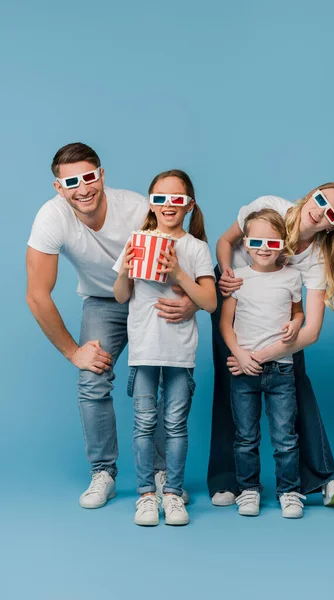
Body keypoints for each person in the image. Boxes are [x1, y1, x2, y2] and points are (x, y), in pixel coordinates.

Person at [26, 143, 197, 508]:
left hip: (151, 297)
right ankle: (103, 472)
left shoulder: (136, 207)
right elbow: (37, 295)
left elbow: (187, 242)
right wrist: (74, 352)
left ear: (102, 176)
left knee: (165, 379)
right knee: (92, 378)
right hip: (103, 302)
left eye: (89, 177)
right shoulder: (51, 217)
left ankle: (163, 473)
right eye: (71, 181)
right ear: (58, 187)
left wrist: (193, 300)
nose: (83, 188)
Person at [208, 184, 334, 508]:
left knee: (294, 384)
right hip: (236, 294)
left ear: (333, 225)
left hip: (276, 316)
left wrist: (265, 354)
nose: (320, 211)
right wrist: (226, 272)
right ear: (311, 194)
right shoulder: (268, 205)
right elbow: (225, 240)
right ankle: (227, 481)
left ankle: (323, 477)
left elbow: (310, 329)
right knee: (231, 382)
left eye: (331, 213)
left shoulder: (316, 257)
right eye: (321, 200)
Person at [113, 169, 216, 526]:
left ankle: (172, 493)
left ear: (189, 205)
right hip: (144, 347)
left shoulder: (196, 248)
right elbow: (121, 295)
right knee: (143, 423)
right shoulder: (137, 239)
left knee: (175, 425)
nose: (168, 206)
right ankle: (145, 495)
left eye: (176, 199)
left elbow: (211, 301)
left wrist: (177, 274)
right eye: (160, 199)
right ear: (151, 204)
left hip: (179, 351)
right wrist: (124, 269)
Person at [220, 208, 307, 518]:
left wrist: (297, 323)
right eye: (257, 241)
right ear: (245, 243)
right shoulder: (238, 278)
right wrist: (240, 355)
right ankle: (248, 490)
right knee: (246, 437)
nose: (264, 248)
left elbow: (298, 313)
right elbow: (226, 324)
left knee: (285, 436)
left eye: (272, 242)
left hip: (281, 370)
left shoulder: (292, 276)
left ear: (283, 244)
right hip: (244, 372)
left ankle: (289, 491)